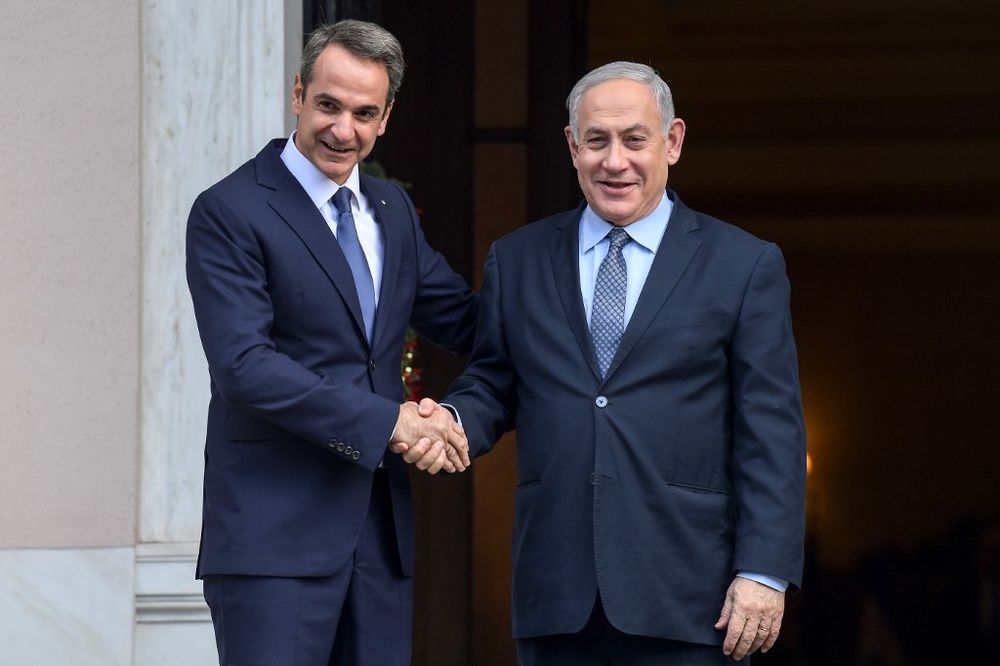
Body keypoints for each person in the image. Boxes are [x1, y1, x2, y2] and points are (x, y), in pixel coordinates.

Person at [401, 61, 806, 664]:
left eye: (634, 139)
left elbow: (771, 431)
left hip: (692, 598)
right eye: (596, 141)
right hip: (557, 593)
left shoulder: (743, 265)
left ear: (672, 142)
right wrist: (452, 421)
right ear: (572, 146)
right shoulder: (518, 259)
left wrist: (765, 572)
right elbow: (495, 380)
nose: (614, 161)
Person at [185, 20, 476, 665]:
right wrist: (392, 425)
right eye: (329, 105)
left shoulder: (391, 212)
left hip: (379, 540)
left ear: (386, 118)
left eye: (364, 113)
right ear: (298, 93)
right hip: (271, 540)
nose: (344, 130)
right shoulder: (229, 210)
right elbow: (244, 366)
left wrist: (574, 310)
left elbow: (462, 320)